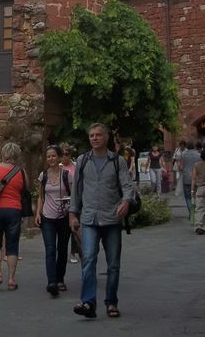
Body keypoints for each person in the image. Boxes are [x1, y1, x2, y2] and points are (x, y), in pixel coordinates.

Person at [69, 122, 135, 320]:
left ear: (106, 138)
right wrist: (73, 214)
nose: (95, 138)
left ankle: (111, 301)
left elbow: (128, 186)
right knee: (88, 258)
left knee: (113, 263)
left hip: (112, 219)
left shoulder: (117, 161)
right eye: (91, 135)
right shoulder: (83, 160)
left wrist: (126, 201)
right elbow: (76, 190)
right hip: (89, 218)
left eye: (98, 135)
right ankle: (88, 301)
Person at [0, 141, 28, 291]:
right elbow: (26, 190)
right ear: (16, 155)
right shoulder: (21, 172)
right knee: (13, 245)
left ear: (3, 154)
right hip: (14, 211)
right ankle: (12, 280)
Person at [35, 145, 72, 297]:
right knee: (50, 249)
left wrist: (73, 213)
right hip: (47, 217)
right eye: (48, 156)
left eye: (53, 156)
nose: (51, 159)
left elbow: (73, 195)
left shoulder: (67, 175)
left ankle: (60, 278)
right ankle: (51, 282)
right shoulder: (43, 176)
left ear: (59, 157)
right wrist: (38, 213)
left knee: (62, 249)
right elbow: (41, 196)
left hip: (64, 216)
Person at [60, 143, 79, 263]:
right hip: (61, 202)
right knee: (64, 229)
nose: (64, 157)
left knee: (75, 227)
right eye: (61, 154)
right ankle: (63, 252)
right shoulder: (58, 167)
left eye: (66, 154)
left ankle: (73, 252)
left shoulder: (76, 166)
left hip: (74, 199)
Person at [180, 141, 201, 218]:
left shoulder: (184, 155)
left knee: (188, 197)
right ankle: (196, 211)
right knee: (196, 196)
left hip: (186, 178)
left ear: (187, 147)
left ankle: (191, 213)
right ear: (194, 146)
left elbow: (181, 167)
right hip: (196, 178)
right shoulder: (199, 155)